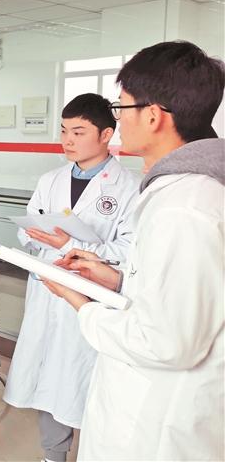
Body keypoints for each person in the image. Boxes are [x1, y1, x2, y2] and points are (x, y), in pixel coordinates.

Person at [47, 41, 224, 461]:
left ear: (153, 115)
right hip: (157, 412)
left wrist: (83, 306)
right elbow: (182, 294)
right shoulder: (188, 192)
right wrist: (119, 279)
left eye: (121, 107)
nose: (118, 118)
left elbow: (167, 342)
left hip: (156, 426)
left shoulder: (185, 206)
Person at [3, 93, 139, 462]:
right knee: (50, 381)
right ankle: (53, 456)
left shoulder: (129, 187)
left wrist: (70, 243)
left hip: (91, 299)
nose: (67, 140)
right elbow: (28, 229)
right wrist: (37, 234)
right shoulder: (51, 180)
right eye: (64, 131)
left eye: (78, 132)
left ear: (106, 134)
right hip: (49, 290)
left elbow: (129, 251)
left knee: (84, 382)